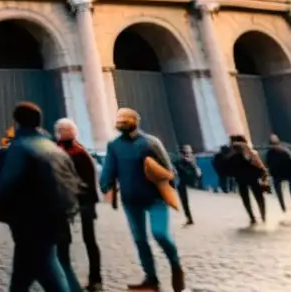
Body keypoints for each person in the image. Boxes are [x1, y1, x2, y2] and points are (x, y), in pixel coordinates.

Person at [0, 103, 80, 292]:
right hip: (55, 218)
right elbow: (72, 181)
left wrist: (4, 214)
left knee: (47, 270)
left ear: (16, 122)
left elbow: (7, 185)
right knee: (22, 276)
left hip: (30, 222)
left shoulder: (20, 147)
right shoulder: (53, 147)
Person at [100, 108, 184, 292]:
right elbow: (109, 168)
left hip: (155, 199)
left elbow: (169, 169)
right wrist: (105, 184)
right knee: (139, 239)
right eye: (119, 118)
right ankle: (151, 278)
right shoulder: (114, 146)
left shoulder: (151, 142)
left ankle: (175, 264)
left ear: (134, 121)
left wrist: (171, 185)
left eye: (124, 119)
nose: (120, 121)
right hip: (131, 201)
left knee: (159, 233)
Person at [55, 118, 102, 292]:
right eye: (61, 129)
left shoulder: (77, 152)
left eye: (63, 130)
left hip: (78, 202)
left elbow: (88, 181)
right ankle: (90, 279)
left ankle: (92, 279)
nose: (62, 132)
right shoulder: (77, 151)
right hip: (78, 202)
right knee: (78, 241)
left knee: (80, 241)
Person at [226, 134, 268, 226]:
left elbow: (229, 166)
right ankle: (263, 216)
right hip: (252, 177)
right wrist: (263, 172)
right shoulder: (248, 151)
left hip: (241, 178)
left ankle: (252, 217)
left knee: (246, 198)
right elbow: (258, 163)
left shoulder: (232, 153)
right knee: (259, 197)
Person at [265, 134, 291, 223]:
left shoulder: (285, 152)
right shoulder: (270, 154)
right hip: (278, 174)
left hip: (289, 173)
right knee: (277, 187)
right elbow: (269, 166)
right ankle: (283, 207)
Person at [173, 146, 200, 226]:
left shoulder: (191, 161)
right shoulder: (179, 161)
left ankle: (189, 218)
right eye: (186, 153)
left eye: (189, 153)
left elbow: (196, 172)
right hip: (182, 182)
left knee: (184, 202)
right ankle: (189, 218)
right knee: (184, 202)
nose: (188, 154)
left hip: (184, 182)